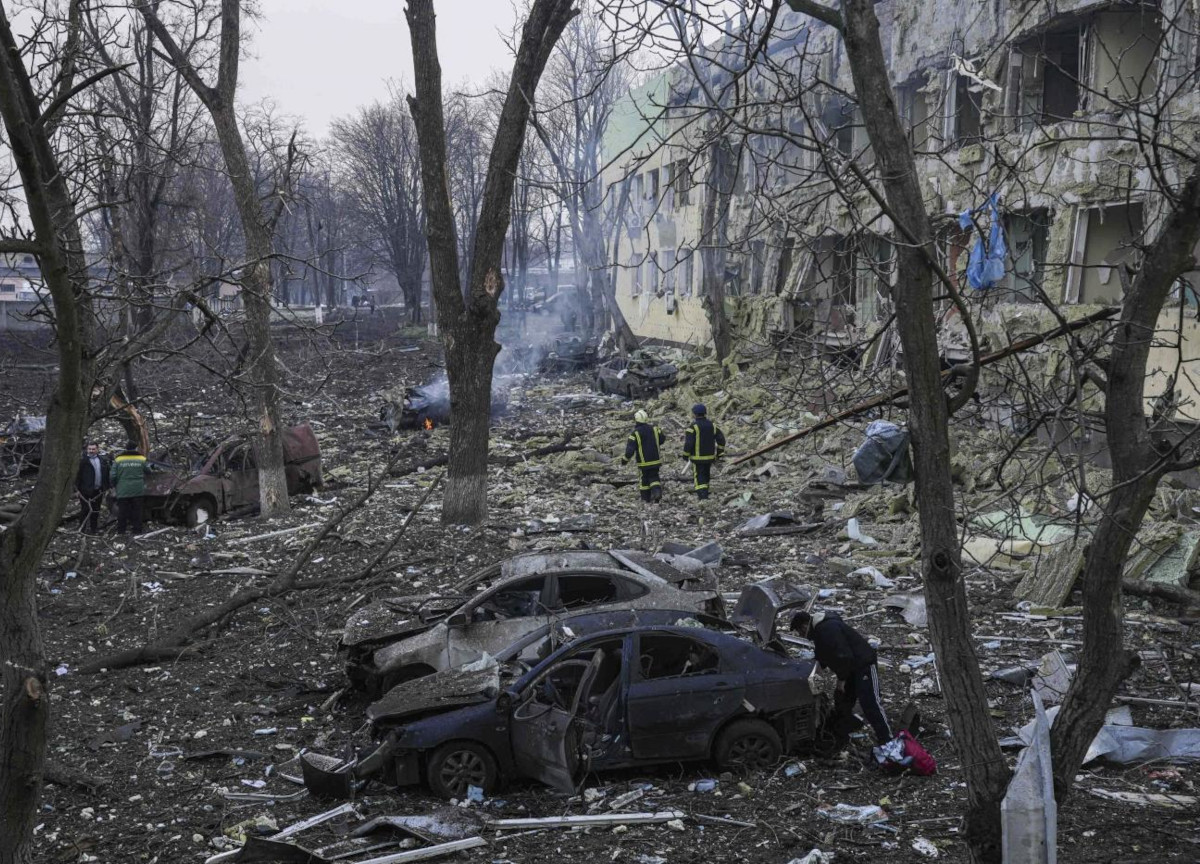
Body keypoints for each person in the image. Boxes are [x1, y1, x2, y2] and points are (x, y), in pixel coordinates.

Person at [791, 609, 892, 745]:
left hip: (863, 664)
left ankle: (887, 739)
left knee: (870, 702)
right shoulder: (820, 631)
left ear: (804, 626)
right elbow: (822, 655)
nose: (802, 636)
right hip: (850, 668)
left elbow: (844, 656)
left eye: (800, 632)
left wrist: (841, 680)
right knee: (842, 700)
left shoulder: (827, 629)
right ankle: (842, 733)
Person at [682, 403, 725, 500]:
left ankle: (703, 496)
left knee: (699, 476)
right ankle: (705, 493)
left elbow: (689, 443)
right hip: (709, 457)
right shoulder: (712, 426)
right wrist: (720, 452)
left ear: (694, 414)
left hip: (697, 458)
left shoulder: (693, 427)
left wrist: (685, 455)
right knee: (706, 474)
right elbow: (721, 439)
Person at [622, 409, 666, 503]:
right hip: (656, 460)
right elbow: (662, 439)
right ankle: (656, 493)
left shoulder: (635, 433)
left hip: (644, 462)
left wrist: (625, 460)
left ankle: (645, 499)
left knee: (644, 480)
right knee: (654, 477)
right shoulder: (655, 429)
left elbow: (630, 450)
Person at [110, 442, 147, 535]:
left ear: (126, 449)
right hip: (137, 490)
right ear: (135, 448)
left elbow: (112, 475)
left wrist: (115, 484)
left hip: (123, 490)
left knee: (122, 511)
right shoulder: (141, 458)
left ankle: (121, 530)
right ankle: (137, 530)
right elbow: (148, 470)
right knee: (137, 511)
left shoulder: (118, 459)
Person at [75, 441, 110, 534]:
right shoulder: (82, 461)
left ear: (97, 449)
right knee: (85, 510)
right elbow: (77, 476)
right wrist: (76, 489)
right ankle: (82, 529)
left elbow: (106, 474)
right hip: (85, 491)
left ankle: (93, 529)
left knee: (96, 510)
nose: (91, 451)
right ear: (87, 449)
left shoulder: (102, 460)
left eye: (93, 449)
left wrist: (106, 487)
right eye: (89, 449)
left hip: (98, 491)